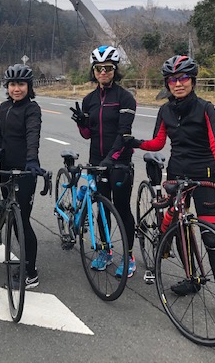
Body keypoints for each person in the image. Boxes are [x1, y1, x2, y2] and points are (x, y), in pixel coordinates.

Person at [125, 55, 215, 323]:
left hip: (206, 176)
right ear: (168, 83)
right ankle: (191, 278)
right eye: (173, 80)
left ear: (193, 81)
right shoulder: (165, 111)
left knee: (211, 238)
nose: (178, 84)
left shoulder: (206, 108)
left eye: (183, 78)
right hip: (176, 174)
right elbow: (158, 142)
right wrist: (134, 143)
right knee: (180, 227)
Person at [70, 45, 137, 278]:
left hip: (119, 163)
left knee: (122, 209)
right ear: (94, 71)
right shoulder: (89, 100)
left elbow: (123, 133)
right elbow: (88, 135)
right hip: (96, 162)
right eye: (99, 68)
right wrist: (81, 122)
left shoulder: (125, 97)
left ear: (115, 70)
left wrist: (111, 159)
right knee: (101, 209)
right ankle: (105, 251)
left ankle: (129, 257)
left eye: (108, 68)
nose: (103, 72)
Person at [0, 63, 45, 290]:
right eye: (12, 84)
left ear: (28, 86)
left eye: (21, 84)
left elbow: (33, 134)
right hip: (5, 168)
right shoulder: (3, 107)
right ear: (7, 86)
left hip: (25, 171)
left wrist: (31, 160)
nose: (16, 89)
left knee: (22, 220)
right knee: (11, 217)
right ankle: (20, 260)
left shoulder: (32, 109)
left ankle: (30, 273)